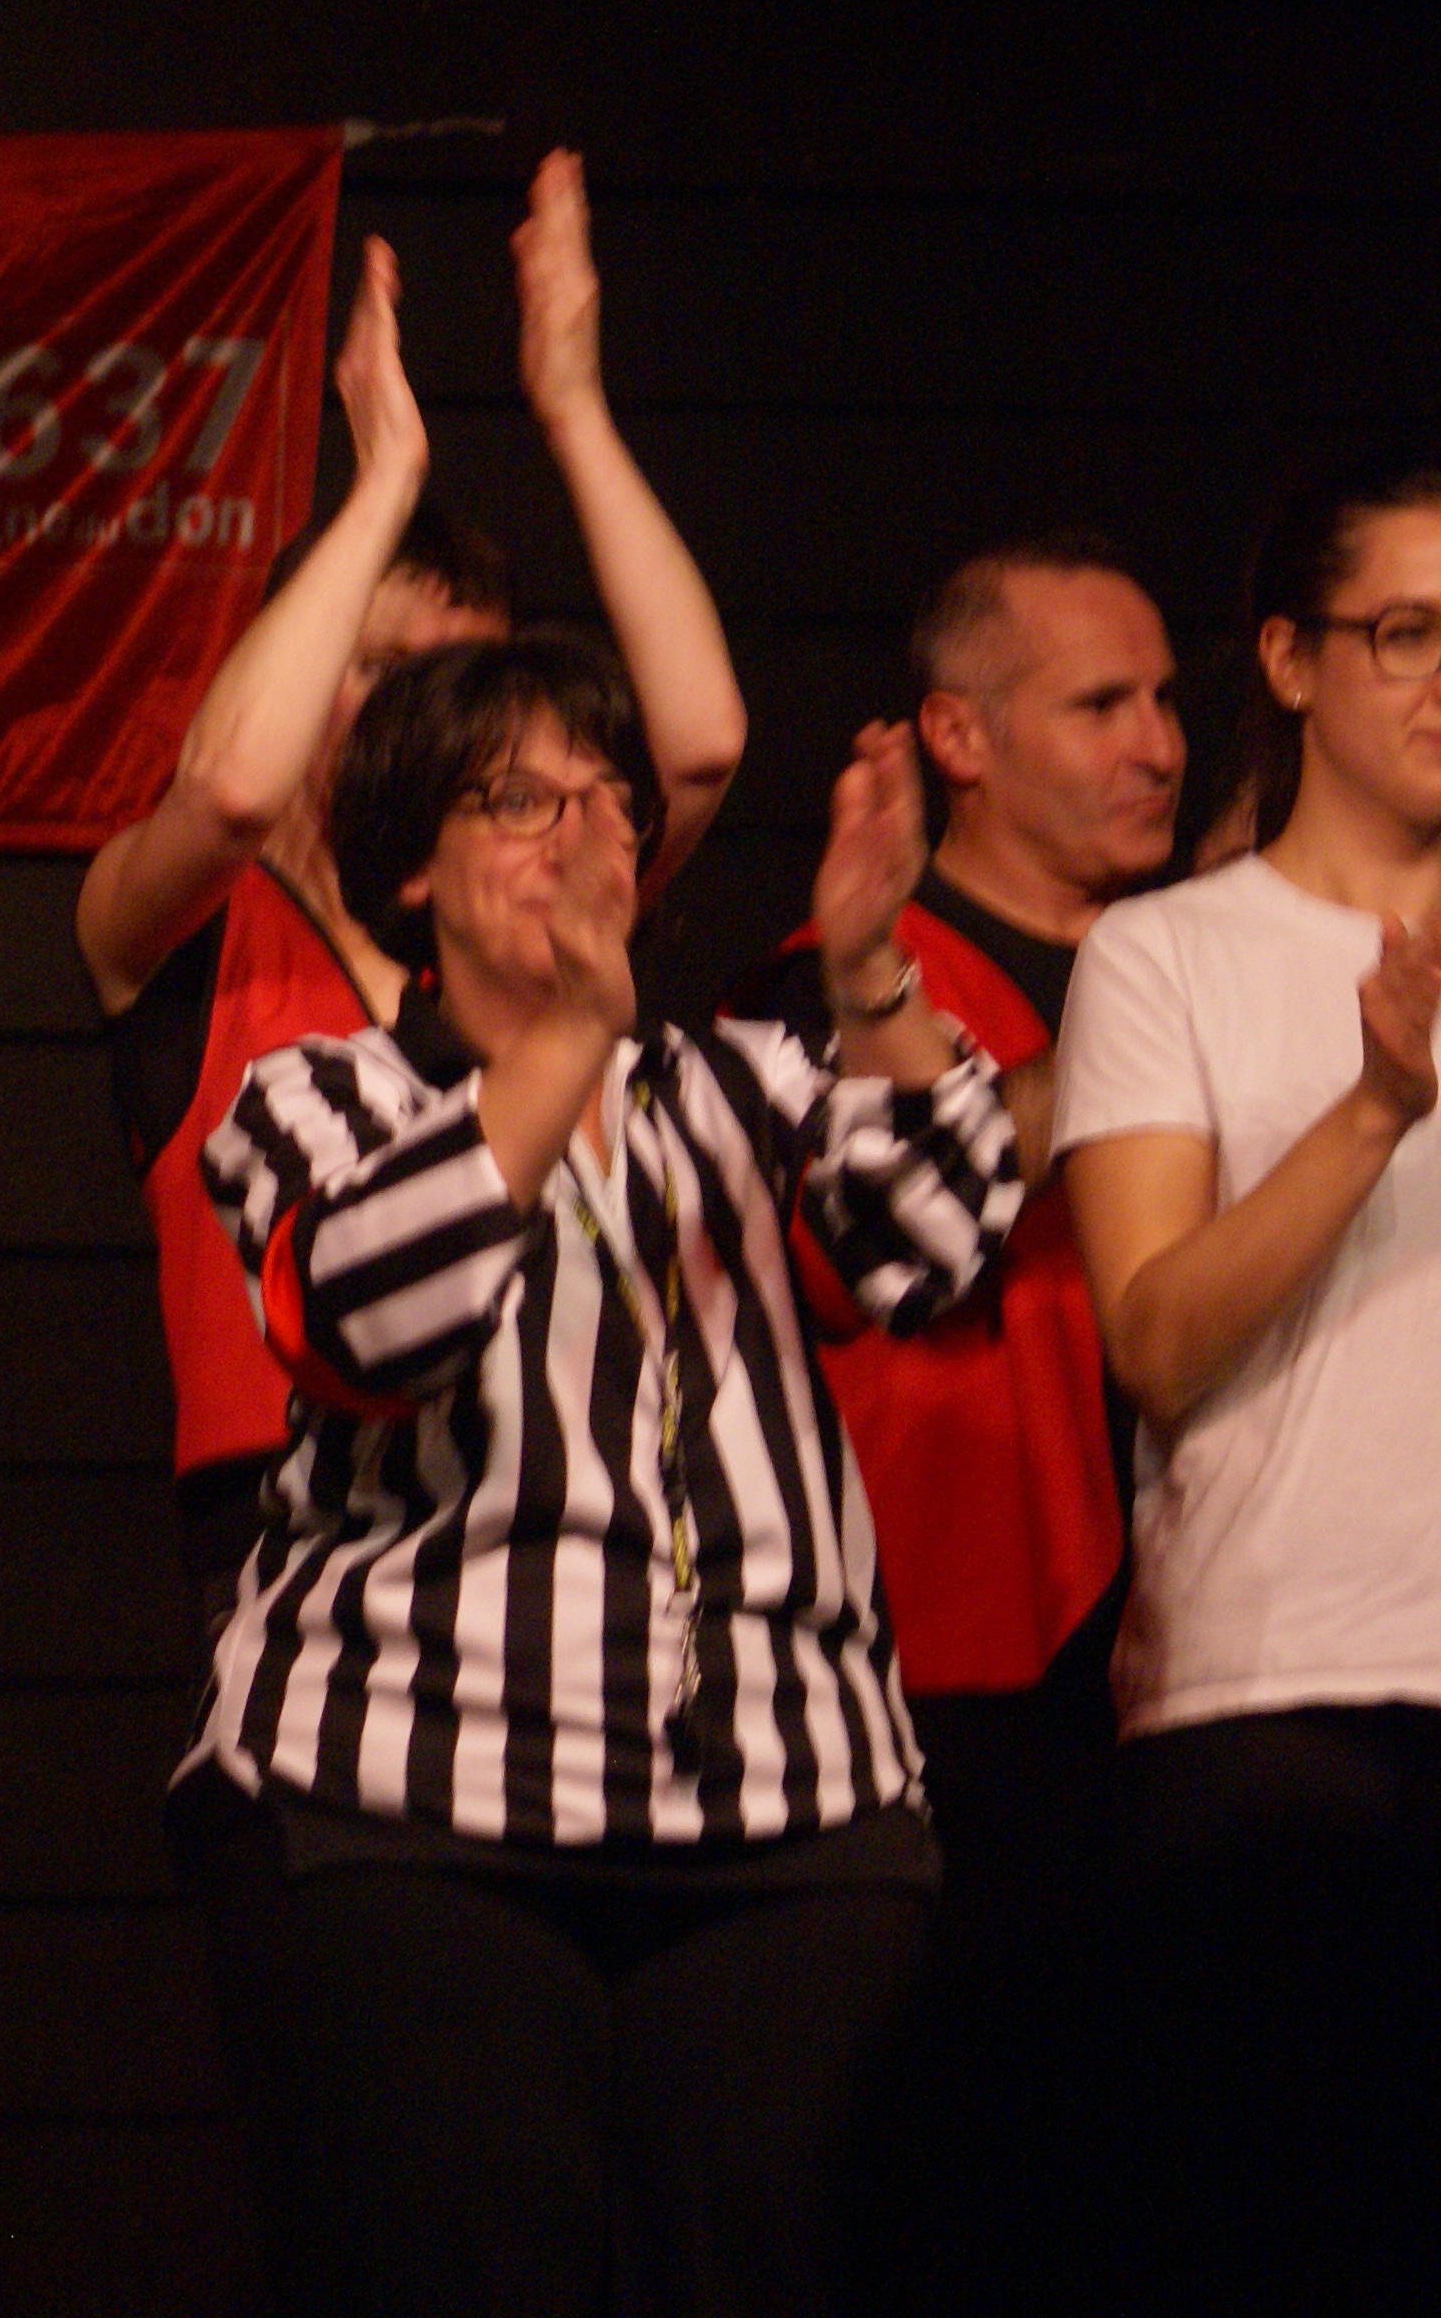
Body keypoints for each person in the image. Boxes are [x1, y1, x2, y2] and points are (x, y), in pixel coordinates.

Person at [186, 631, 1019, 2318]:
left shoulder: (741, 1082)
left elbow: (936, 1236)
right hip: (416, 1814)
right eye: (519, 799)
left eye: (608, 799)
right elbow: (371, 1318)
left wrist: (870, 968)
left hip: (788, 1815)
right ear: (411, 868)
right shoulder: (323, 1094)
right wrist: (569, 1031)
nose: (581, 834)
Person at [76, 151, 747, 1643]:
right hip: (297, 1516)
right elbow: (230, 789)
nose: (413, 714)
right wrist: (381, 484)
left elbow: (698, 744)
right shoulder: (190, 917)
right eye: (374, 668)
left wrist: (573, 409)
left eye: (460, 682)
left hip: (565, 1485)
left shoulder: (535, 888)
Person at [721, 538, 1179, 2308]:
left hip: (1184, 1664)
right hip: (949, 1690)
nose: (1156, 744)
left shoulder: (1193, 953)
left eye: (1163, 701)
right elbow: (902, 1251)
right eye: (1101, 705)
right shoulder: (826, 986)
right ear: (959, 736)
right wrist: (1154, 1044)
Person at [1054, 454, 1441, 2314]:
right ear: (1292, 661)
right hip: (1281, 1696)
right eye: (1409, 634)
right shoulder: (1169, 955)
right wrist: (1373, 1111)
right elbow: (1155, 1338)